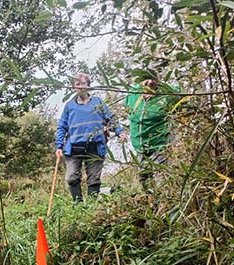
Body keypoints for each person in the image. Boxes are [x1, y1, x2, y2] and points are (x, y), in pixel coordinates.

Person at [56, 73, 126, 201]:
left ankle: (92, 206)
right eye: (78, 84)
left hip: (95, 146)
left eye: (83, 84)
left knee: (94, 178)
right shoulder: (69, 106)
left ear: (88, 86)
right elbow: (62, 126)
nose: (81, 87)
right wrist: (59, 146)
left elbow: (110, 118)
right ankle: (78, 204)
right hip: (74, 147)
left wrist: (118, 131)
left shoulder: (97, 102)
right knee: (71, 177)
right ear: (73, 88)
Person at [124, 75, 179, 191]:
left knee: (161, 180)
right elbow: (127, 110)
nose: (149, 82)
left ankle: (164, 205)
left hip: (160, 146)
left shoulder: (166, 95)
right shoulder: (133, 94)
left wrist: (164, 86)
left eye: (153, 78)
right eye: (146, 79)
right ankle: (151, 205)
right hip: (140, 148)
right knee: (144, 180)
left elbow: (181, 95)